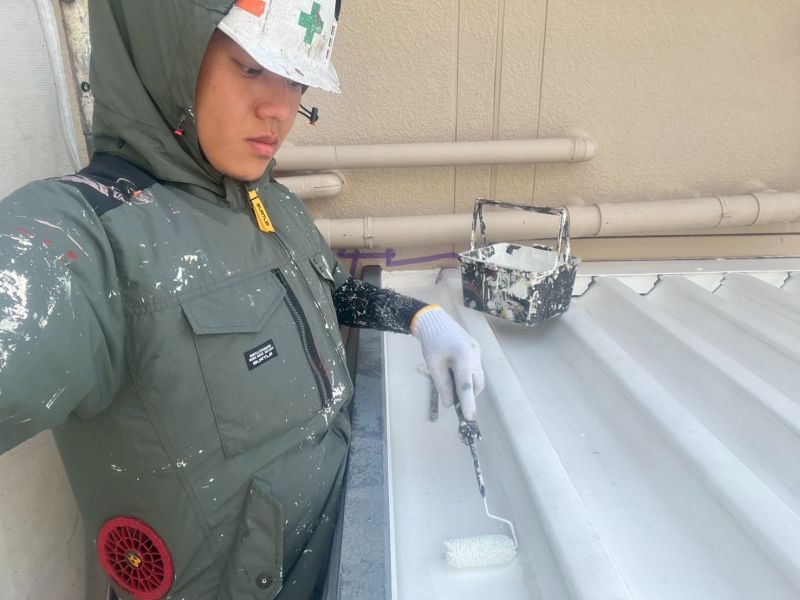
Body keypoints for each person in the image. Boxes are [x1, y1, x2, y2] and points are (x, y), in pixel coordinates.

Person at [0, 0, 484, 598]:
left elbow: (329, 294)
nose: (279, 109)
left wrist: (421, 317)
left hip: (354, 548)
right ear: (166, 57)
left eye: (295, 80)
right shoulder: (88, 233)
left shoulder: (271, 200)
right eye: (251, 68)